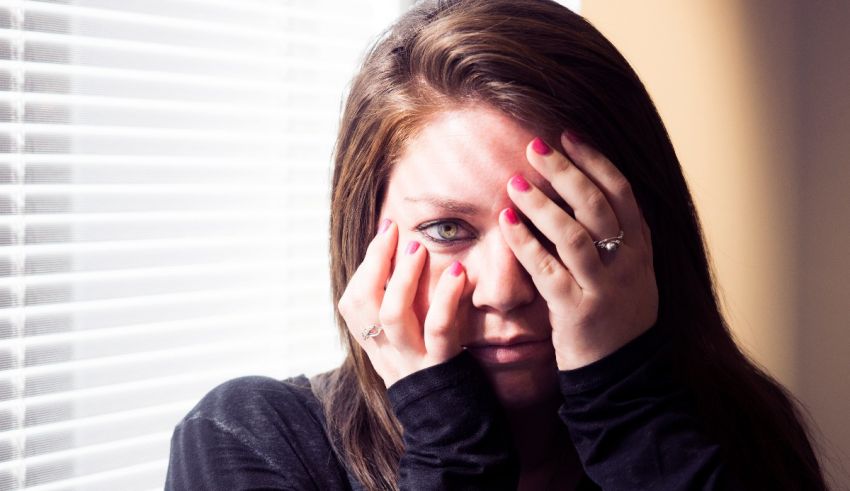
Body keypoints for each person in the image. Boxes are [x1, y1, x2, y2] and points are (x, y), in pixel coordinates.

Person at [164, 0, 828, 489]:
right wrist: (452, 451)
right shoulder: (251, 441)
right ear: (364, 236)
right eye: (446, 229)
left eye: (555, 221)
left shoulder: (743, 438)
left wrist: (626, 409)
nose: (507, 288)